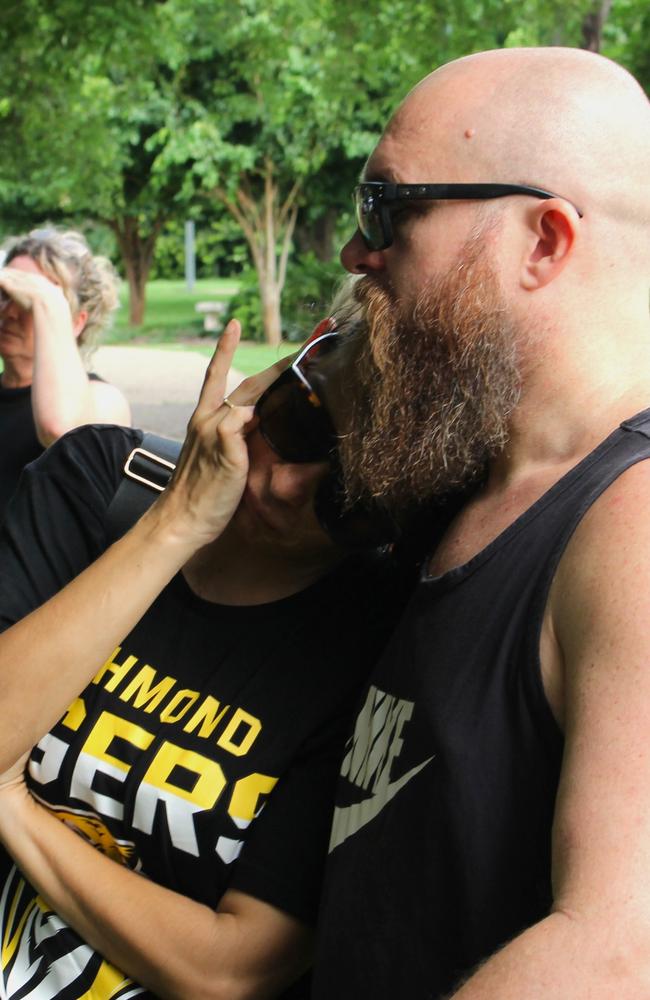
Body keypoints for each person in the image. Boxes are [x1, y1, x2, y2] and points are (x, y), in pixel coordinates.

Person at [313, 46, 650, 999]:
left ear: (545, 242)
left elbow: (620, 949)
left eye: (390, 208)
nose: (355, 252)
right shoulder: (466, 470)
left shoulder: (634, 525)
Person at [0, 318, 409, 999]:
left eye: (349, 499)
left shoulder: (376, 645)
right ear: (297, 357)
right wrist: (177, 520)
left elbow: (228, 969)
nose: (285, 486)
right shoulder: (101, 483)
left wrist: (13, 805)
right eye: (298, 425)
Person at [0, 227, 131, 518]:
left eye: (26, 302)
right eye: (5, 295)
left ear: (76, 322)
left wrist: (46, 299)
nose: (10, 312)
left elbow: (60, 429)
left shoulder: (103, 400)